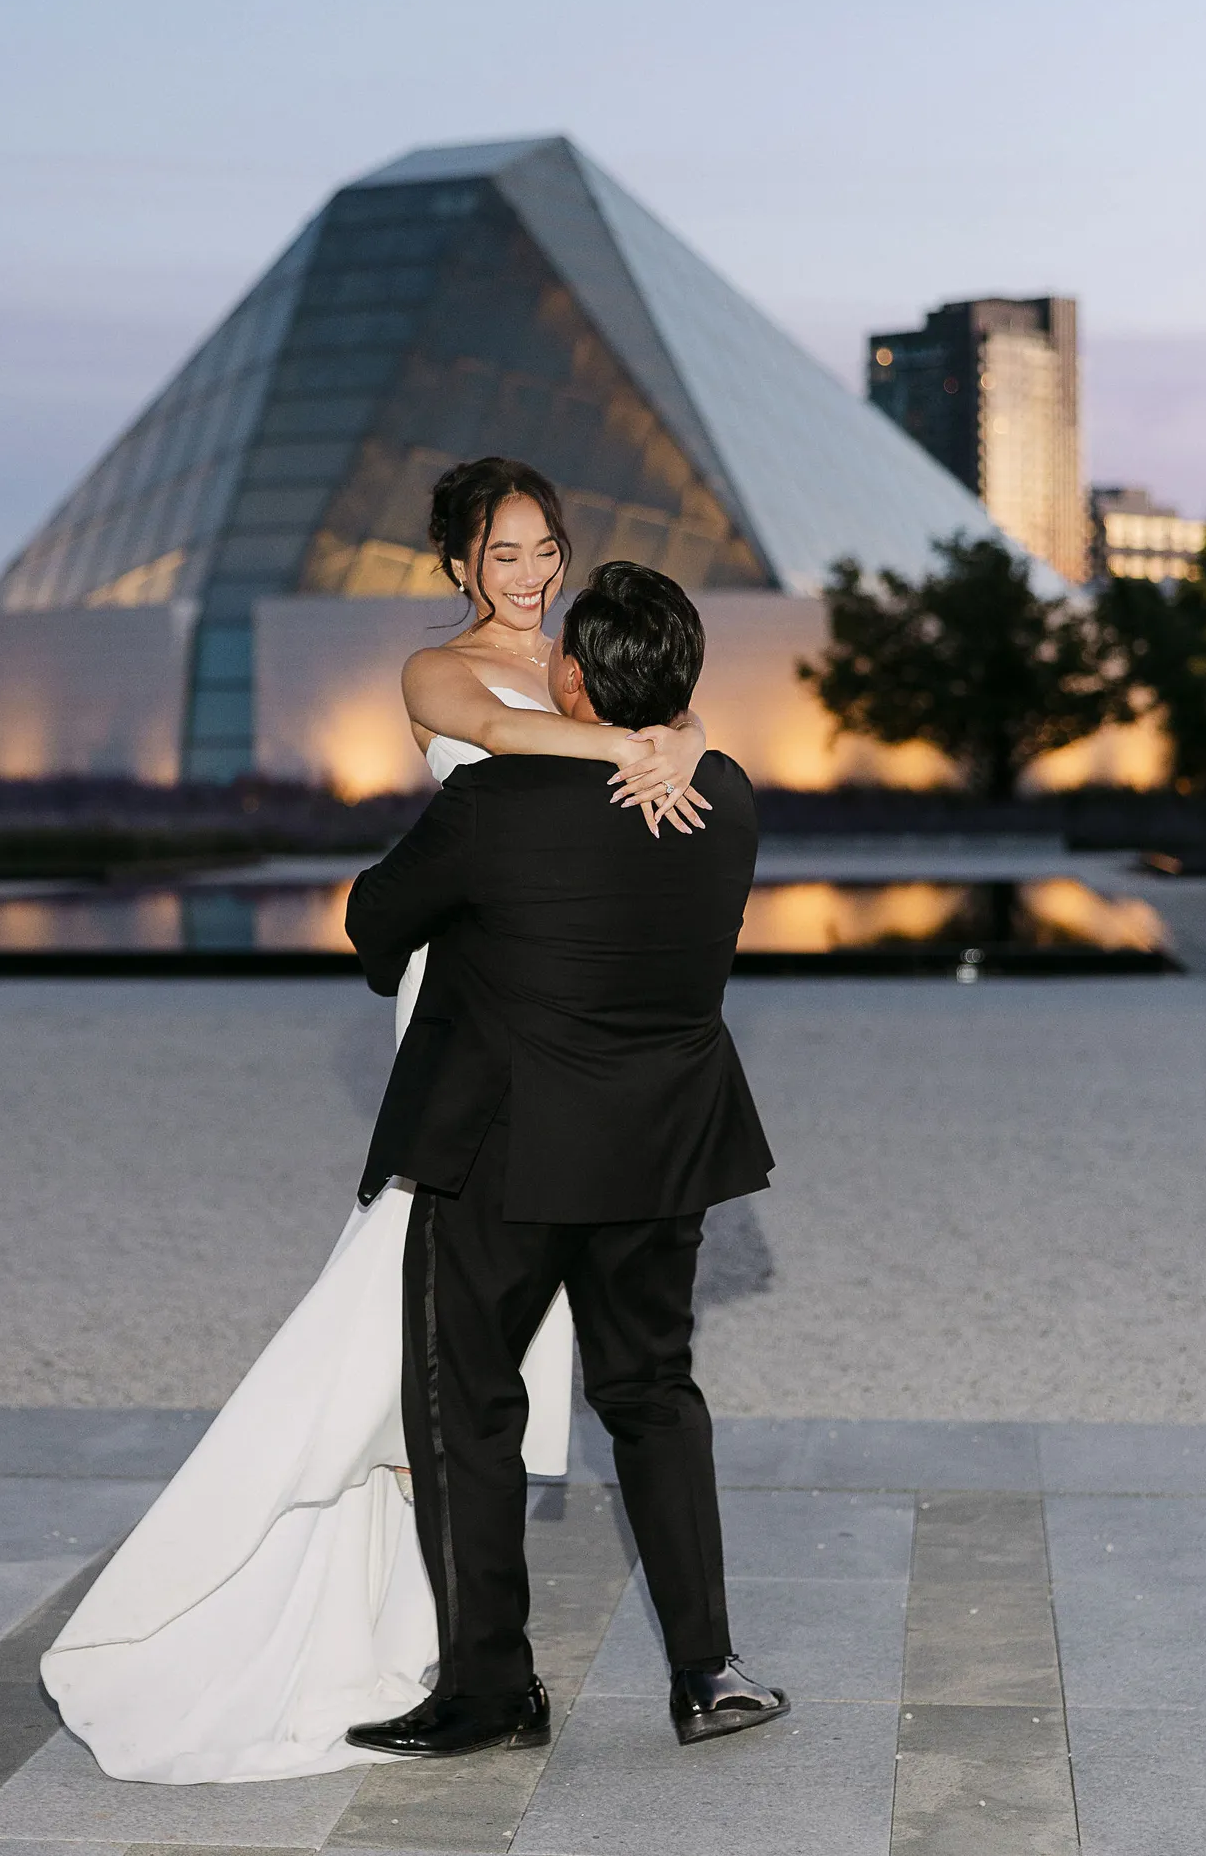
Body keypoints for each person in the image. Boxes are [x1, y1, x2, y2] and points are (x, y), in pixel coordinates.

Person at [39, 461, 707, 1782]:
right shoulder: (439, 672)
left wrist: (672, 735)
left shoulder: (590, 668)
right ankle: (356, 1533)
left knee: (478, 1322)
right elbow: (510, 748)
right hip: (463, 1006)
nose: (530, 574)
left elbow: (639, 763)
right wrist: (650, 742)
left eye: (545, 548)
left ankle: (447, 1600)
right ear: (461, 562)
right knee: (414, 1280)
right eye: (503, 552)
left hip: (569, 1017)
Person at [344, 562, 788, 1758]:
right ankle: (709, 1671)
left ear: (573, 676)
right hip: (662, 1148)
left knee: (466, 1406)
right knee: (653, 1394)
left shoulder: (499, 800)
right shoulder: (728, 799)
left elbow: (374, 915)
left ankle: (492, 1688)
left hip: (508, 1149)